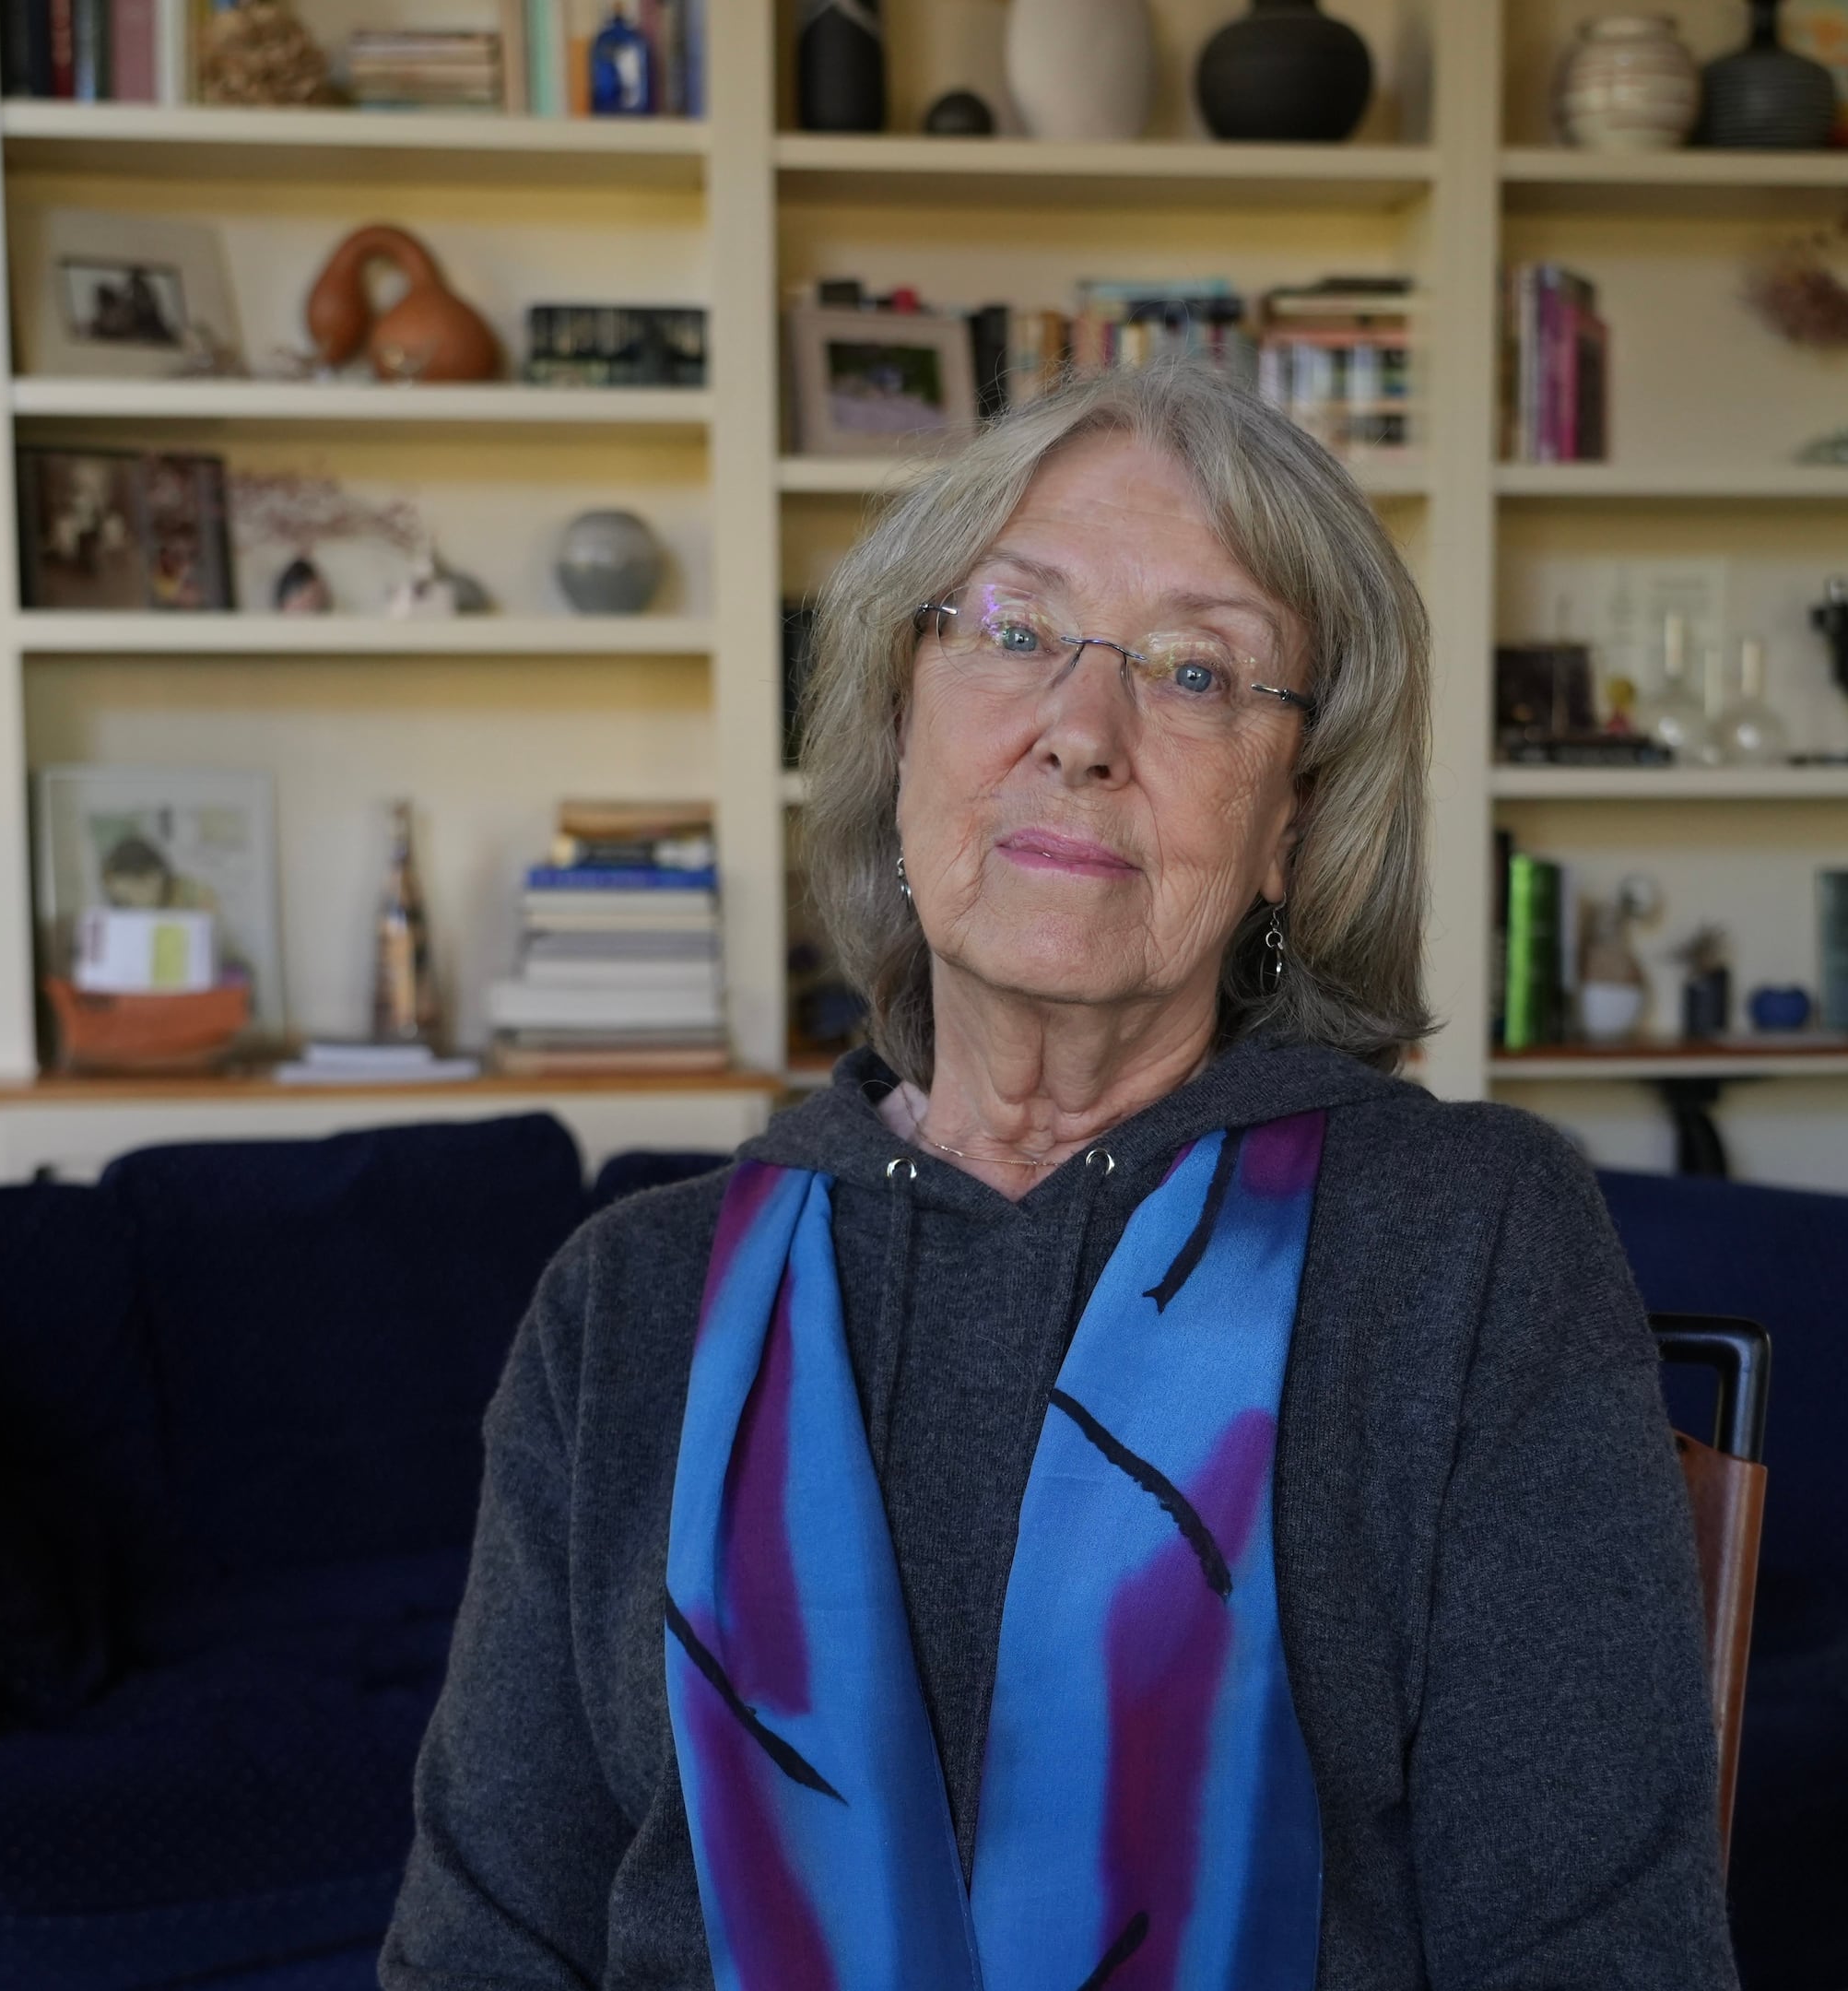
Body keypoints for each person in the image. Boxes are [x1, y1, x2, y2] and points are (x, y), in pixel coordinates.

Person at [385, 363, 1737, 1989]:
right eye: (1014, 634)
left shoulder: (1467, 1243)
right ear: (901, 732)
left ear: (1291, 829)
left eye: (1196, 671)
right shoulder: (630, 1301)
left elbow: (1598, 1953)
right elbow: (485, 1947)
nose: (1082, 735)